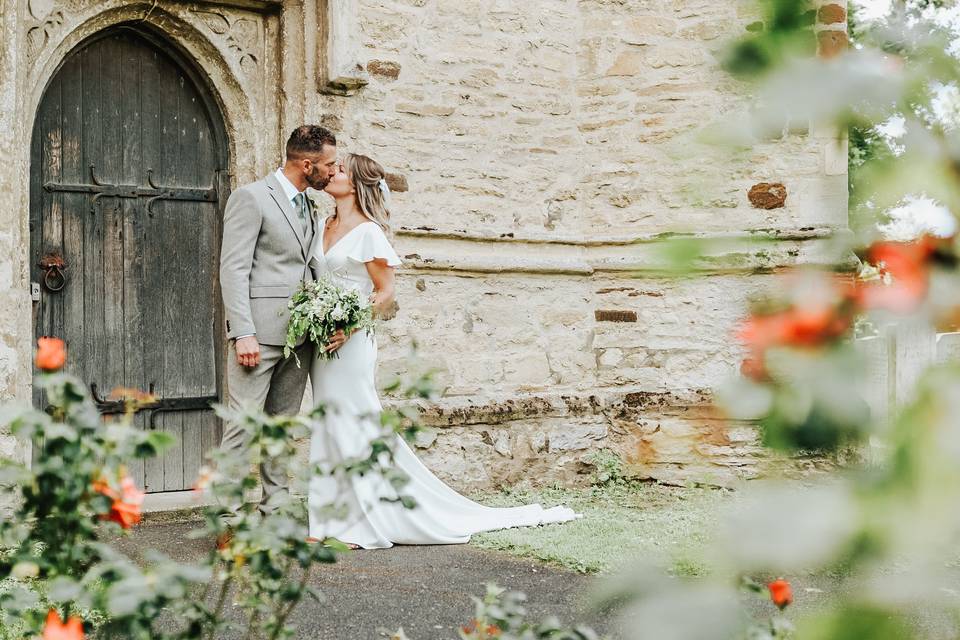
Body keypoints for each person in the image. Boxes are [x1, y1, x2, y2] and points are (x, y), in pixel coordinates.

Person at [307, 153, 579, 549]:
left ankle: (358, 524)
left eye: (342, 169)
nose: (333, 172)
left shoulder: (369, 233)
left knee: (354, 424)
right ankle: (325, 521)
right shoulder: (322, 224)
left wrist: (347, 327)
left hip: (351, 343)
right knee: (327, 425)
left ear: (358, 184)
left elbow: (384, 295)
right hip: (322, 343)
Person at [218, 125, 340, 537]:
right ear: (307, 164)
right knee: (244, 425)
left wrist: (328, 317)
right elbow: (233, 268)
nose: (332, 172)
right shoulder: (251, 198)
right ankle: (229, 522)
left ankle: (275, 516)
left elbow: (312, 266)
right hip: (260, 336)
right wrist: (242, 332)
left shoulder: (311, 208)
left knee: (281, 427)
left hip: (300, 337)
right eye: (328, 165)